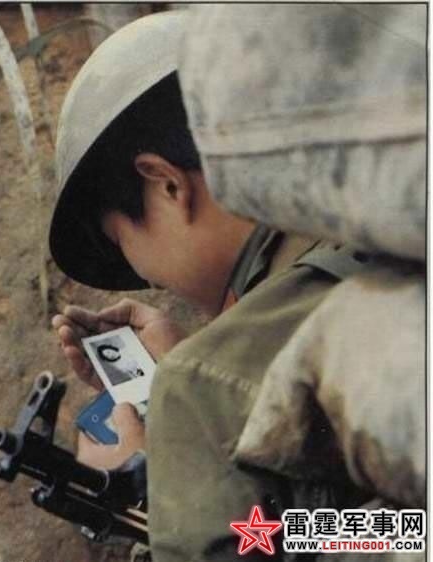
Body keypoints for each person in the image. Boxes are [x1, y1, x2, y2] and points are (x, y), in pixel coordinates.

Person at [49, 11, 372, 562]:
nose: (143, 274)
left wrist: (167, 480)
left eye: (122, 240)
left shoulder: (212, 386)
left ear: (166, 183)